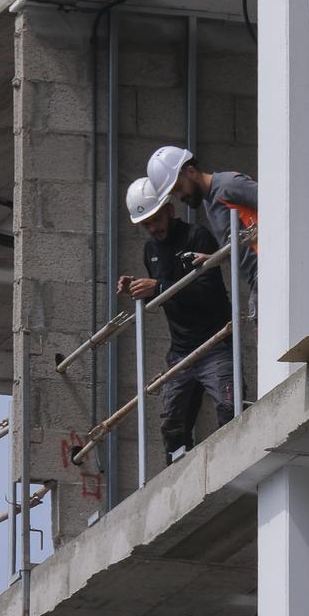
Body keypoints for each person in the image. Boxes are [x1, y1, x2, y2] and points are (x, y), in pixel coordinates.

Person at [118, 176, 234, 464]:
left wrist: (156, 287)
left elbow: (206, 292)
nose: (153, 229)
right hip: (181, 352)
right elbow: (168, 293)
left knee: (230, 407)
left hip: (214, 344)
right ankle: (179, 472)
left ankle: (231, 462)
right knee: (172, 424)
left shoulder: (197, 237)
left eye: (156, 220)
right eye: (145, 224)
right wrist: (139, 288)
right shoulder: (151, 251)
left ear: (169, 210)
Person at [146, 145, 258, 313]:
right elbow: (239, 242)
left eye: (178, 188)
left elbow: (279, 205)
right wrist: (214, 258)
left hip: (266, 272)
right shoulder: (209, 201)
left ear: (190, 172)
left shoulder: (229, 185)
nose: (180, 197)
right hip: (255, 281)